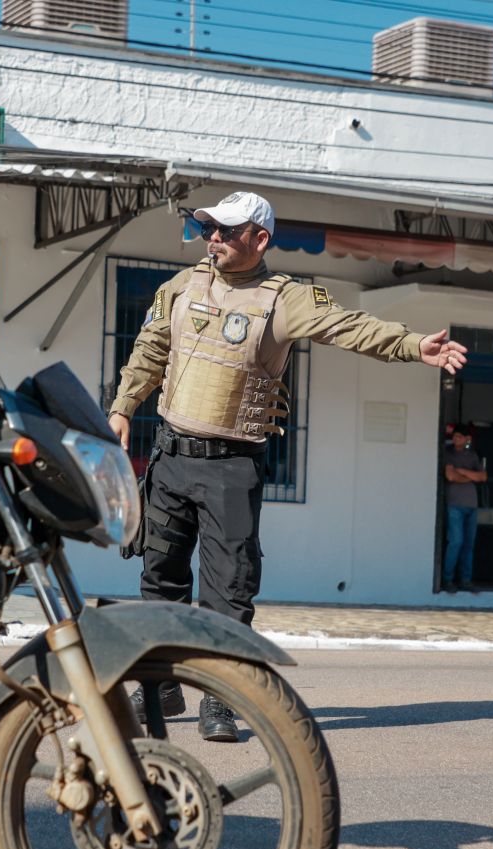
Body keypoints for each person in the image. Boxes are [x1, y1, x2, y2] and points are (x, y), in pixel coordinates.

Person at [108, 191, 467, 741]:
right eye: (211, 230)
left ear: (260, 239)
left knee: (228, 591)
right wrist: (122, 408)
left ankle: (220, 699)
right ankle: (158, 684)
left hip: (231, 467)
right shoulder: (179, 287)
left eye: (227, 232)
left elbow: (352, 327)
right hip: (172, 457)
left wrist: (414, 345)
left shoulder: (286, 299)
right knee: (160, 580)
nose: (215, 239)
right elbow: (150, 349)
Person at [441, 423, 486, 593]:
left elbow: (483, 476)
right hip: (455, 504)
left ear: (467, 438)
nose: (456, 438)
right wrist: (470, 476)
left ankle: (466, 580)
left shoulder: (472, 455)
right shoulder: (448, 454)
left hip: (472, 506)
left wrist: (462, 472)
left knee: (468, 544)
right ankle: (447, 579)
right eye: (454, 436)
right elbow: (450, 476)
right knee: (456, 542)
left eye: (460, 436)